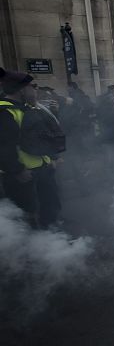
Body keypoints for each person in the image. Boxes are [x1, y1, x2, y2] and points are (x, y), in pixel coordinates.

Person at [0, 69, 63, 228]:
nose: (36, 90)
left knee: (50, 209)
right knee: (28, 217)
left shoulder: (27, 108)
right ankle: (38, 248)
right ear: (22, 90)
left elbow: (44, 135)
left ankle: (54, 241)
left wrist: (52, 158)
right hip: (24, 176)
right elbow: (4, 146)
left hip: (42, 170)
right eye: (32, 86)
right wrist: (17, 170)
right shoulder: (5, 112)